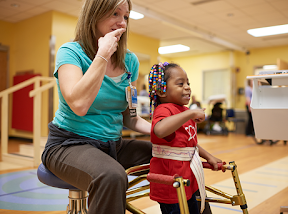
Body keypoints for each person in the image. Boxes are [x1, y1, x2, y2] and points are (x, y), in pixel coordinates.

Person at [41, 0, 152, 213]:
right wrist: (102, 55)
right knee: (111, 176)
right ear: (95, 14)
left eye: (126, 16)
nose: (122, 23)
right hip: (68, 144)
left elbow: (131, 116)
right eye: (114, 14)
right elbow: (79, 105)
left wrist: (162, 130)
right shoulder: (70, 52)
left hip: (112, 145)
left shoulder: (131, 62)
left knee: (169, 155)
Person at [148, 62, 223, 214]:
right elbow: (160, 130)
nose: (187, 87)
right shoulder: (164, 109)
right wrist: (190, 114)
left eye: (188, 83)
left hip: (187, 177)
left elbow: (190, 144)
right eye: (180, 84)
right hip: (171, 182)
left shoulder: (184, 110)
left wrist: (209, 156)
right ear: (162, 91)